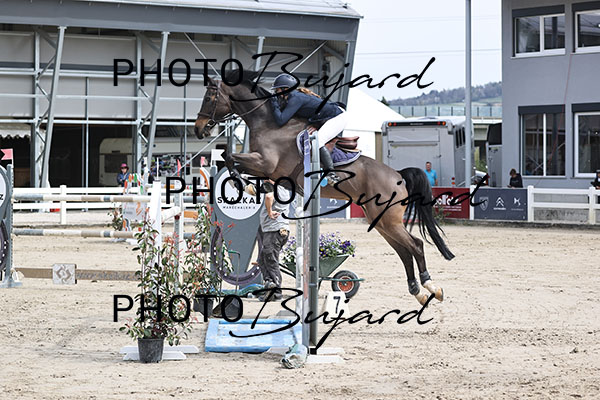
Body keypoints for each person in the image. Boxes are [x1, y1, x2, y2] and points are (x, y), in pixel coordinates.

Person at [269, 73, 349, 185]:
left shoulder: (295, 98)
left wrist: (274, 104)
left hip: (338, 117)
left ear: (285, 89)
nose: (276, 93)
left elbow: (281, 120)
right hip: (326, 117)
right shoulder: (292, 97)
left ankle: (331, 173)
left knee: (318, 141)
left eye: (277, 90)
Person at [256, 181, 291, 302]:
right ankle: (269, 285)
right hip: (280, 230)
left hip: (273, 230)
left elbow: (268, 197)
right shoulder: (284, 190)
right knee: (262, 259)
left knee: (271, 261)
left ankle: (276, 292)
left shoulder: (275, 189)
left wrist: (269, 212)